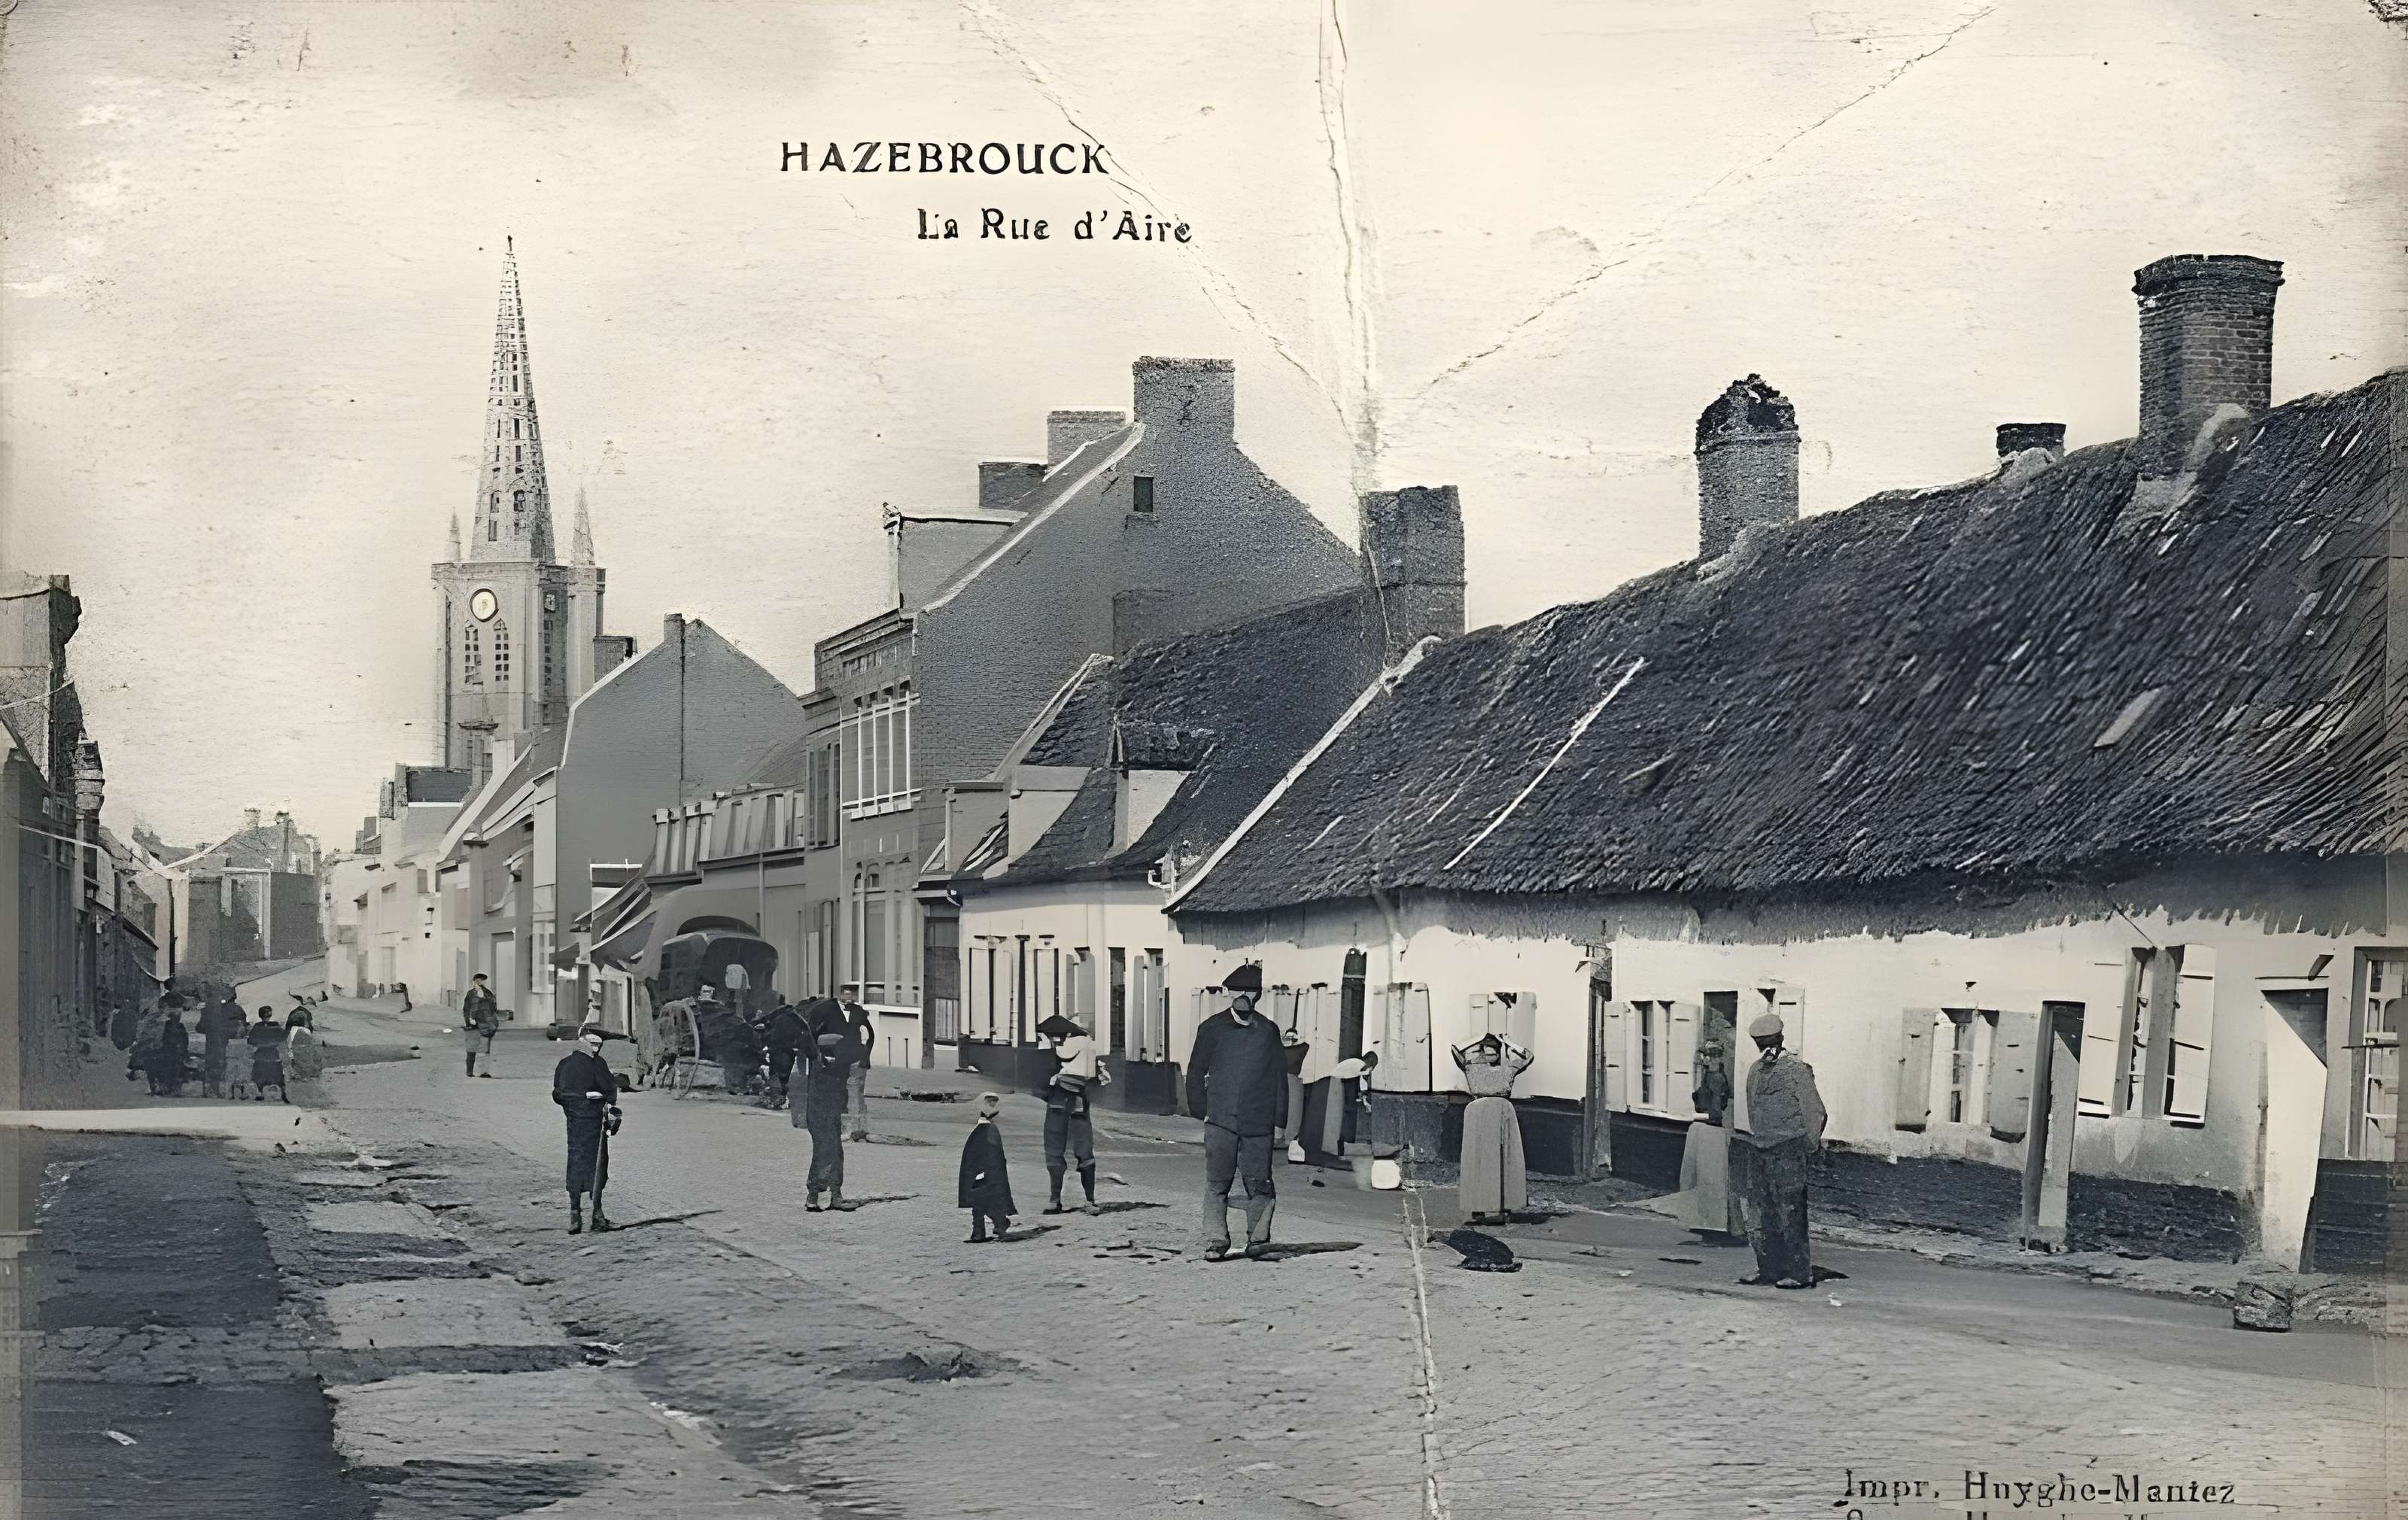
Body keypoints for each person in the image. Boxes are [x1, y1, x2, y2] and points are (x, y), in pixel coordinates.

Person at [1185, 963, 1287, 1260]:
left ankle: (1258, 1241)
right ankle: (1216, 1242)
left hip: (1259, 1122)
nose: (1243, 995)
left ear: (1259, 995)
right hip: (1220, 1121)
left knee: (1260, 1184)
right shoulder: (1211, 1029)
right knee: (1217, 1183)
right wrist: (1201, 1111)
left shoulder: (1268, 1031)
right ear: (1229, 993)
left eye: (1250, 990)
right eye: (1237, 989)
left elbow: (1280, 1080)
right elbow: (1195, 1072)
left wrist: (1280, 1121)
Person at [1735, 1012, 1826, 1289]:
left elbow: (1816, 1112)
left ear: (1781, 1039)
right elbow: (1753, 1109)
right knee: (1761, 1215)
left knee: (1790, 1212)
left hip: (1788, 1150)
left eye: (1770, 1042)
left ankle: (1799, 1273)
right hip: (1760, 1149)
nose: (1766, 1049)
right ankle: (1768, 1269)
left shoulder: (1796, 1070)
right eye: (1761, 1043)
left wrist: (1808, 1146)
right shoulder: (1754, 1071)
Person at [1452, 1034, 1534, 1224]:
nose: (1491, 1052)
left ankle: (1495, 1207)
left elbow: (1527, 1056)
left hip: (1497, 1113)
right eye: (1488, 1048)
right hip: (1485, 1113)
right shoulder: (1474, 1066)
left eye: (1494, 1049)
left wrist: (1504, 1041)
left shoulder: (1497, 1069)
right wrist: (1503, 1041)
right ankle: (1482, 1207)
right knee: (1482, 1160)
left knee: (1498, 1160)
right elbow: (1526, 1056)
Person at [551, 1023, 621, 1234]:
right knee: (597, 1165)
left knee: (580, 1163)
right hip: (590, 1121)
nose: (596, 1049)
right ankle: (588, 1214)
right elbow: (610, 1090)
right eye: (594, 1045)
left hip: (581, 1123)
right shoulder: (592, 1064)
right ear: (585, 1044)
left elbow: (557, 1094)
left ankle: (582, 1215)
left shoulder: (568, 1064)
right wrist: (591, 1099)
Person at [1037, 1014, 1108, 1214]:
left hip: (1059, 1103)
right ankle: (1089, 1200)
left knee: (1054, 1149)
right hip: (1078, 1103)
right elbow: (1098, 1078)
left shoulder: (1065, 1047)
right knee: (1084, 1150)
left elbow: (1042, 1078)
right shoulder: (1089, 1045)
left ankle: (1055, 1200)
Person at [1676, 1033, 1744, 1241]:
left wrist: (1697, 1113)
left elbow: (1716, 1112)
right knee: (1705, 1180)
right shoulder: (1710, 1076)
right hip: (1707, 1131)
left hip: (1711, 1132)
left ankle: (1714, 1226)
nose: (1704, 1060)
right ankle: (1710, 1223)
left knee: (1711, 1180)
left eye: (1707, 1056)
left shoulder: (1715, 1078)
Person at [798, 1014, 856, 1211]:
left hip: (823, 1117)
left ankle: (827, 1196)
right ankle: (817, 1196)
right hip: (823, 1117)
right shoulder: (828, 1067)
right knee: (826, 1155)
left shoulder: (821, 1063)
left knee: (832, 1154)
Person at [958, 1091, 1015, 1242]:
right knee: (980, 1201)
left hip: (985, 1173)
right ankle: (984, 1230)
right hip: (984, 1172)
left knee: (981, 1201)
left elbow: (991, 1155)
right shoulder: (986, 1129)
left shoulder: (987, 1130)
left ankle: (995, 1225)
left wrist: (982, 1172)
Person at [837, 984, 876, 1141]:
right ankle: (850, 1128)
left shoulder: (859, 1015)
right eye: (844, 996)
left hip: (856, 1060)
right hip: (842, 1060)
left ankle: (856, 1129)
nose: (847, 999)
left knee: (855, 1093)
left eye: (849, 996)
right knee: (844, 1092)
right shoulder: (836, 1014)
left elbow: (869, 1036)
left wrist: (865, 1057)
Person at [762, 999, 807, 1110]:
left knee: (776, 1074)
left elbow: (766, 1030)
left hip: (776, 1050)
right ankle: (781, 1097)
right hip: (787, 1051)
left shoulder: (775, 1017)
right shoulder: (796, 1019)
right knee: (785, 1075)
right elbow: (804, 1034)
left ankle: (777, 1097)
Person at [461, 973, 500, 1078]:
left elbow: (493, 1009)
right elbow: (466, 1009)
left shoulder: (488, 994)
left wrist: (493, 1024)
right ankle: (469, 1072)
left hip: (485, 1025)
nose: (479, 983)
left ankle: (484, 1071)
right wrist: (468, 1022)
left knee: (484, 1049)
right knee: (471, 1049)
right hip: (473, 1025)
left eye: (482, 981)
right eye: (477, 981)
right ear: (473, 982)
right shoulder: (470, 994)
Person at [247, 1008, 289, 1103]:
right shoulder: (273, 1026)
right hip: (269, 1053)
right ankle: (275, 1093)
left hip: (265, 1053)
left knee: (267, 1073)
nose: (266, 1018)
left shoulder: (260, 1026)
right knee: (272, 1073)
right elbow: (283, 1036)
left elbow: (251, 1040)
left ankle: (277, 1094)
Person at [149, 1006, 191, 1097]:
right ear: (172, 1017)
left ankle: (174, 1089)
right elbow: (164, 1038)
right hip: (168, 1051)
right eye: (175, 1016)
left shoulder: (181, 1026)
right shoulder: (167, 1026)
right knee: (168, 1070)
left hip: (178, 1052)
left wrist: (183, 1049)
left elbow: (185, 1039)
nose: (177, 1018)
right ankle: (167, 1088)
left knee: (177, 1070)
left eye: (178, 1016)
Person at [286, 1012, 325, 1084]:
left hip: (295, 1056)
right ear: (304, 1021)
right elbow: (312, 1043)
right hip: (305, 1056)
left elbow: (289, 1046)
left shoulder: (291, 1032)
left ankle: (297, 1073)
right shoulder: (306, 1031)